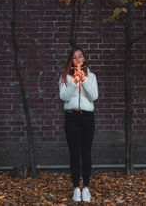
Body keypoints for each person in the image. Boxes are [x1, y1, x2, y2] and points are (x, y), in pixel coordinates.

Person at [59, 46, 98, 203]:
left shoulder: (92, 76)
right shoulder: (65, 78)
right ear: (71, 60)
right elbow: (64, 97)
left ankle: (86, 188)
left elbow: (94, 96)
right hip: (71, 117)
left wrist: (84, 80)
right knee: (74, 152)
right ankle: (76, 188)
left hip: (87, 117)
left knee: (86, 152)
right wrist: (75, 82)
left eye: (80, 57)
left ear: (84, 59)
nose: (77, 60)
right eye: (74, 57)